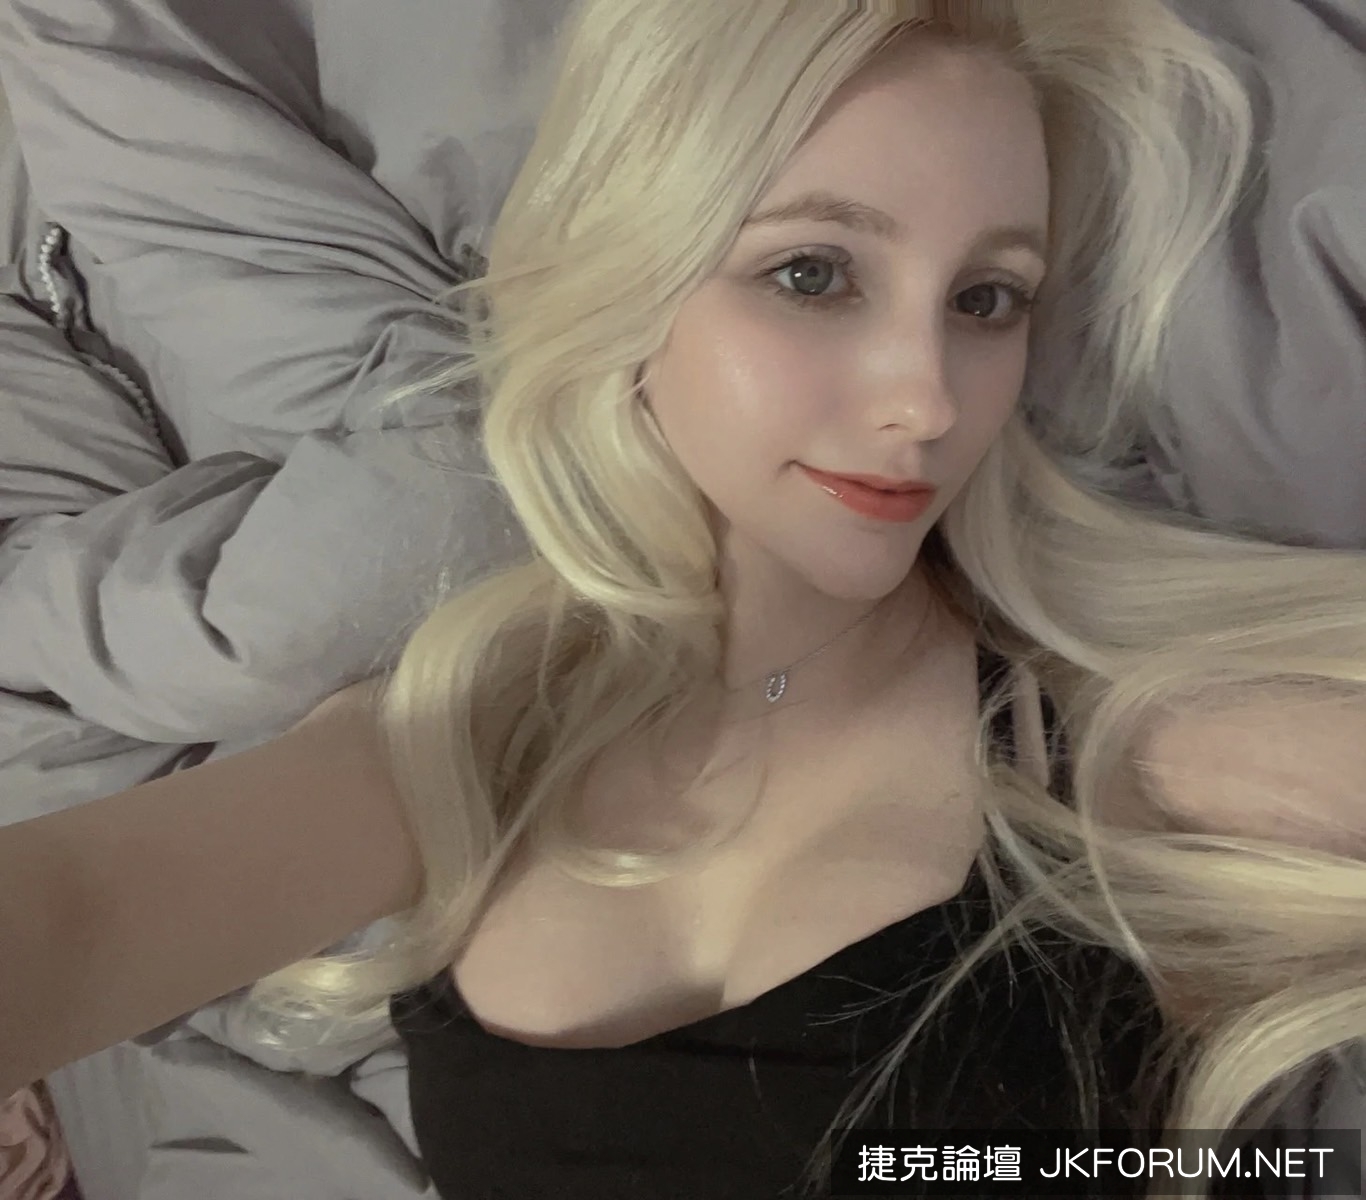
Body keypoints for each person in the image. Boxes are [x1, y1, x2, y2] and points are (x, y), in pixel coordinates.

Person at [2, 0, 1364, 1197]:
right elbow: (79, 916)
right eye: (811, 274)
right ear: (628, 273)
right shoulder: (464, 732)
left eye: (986, 299)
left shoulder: (1134, 756)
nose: (927, 397)